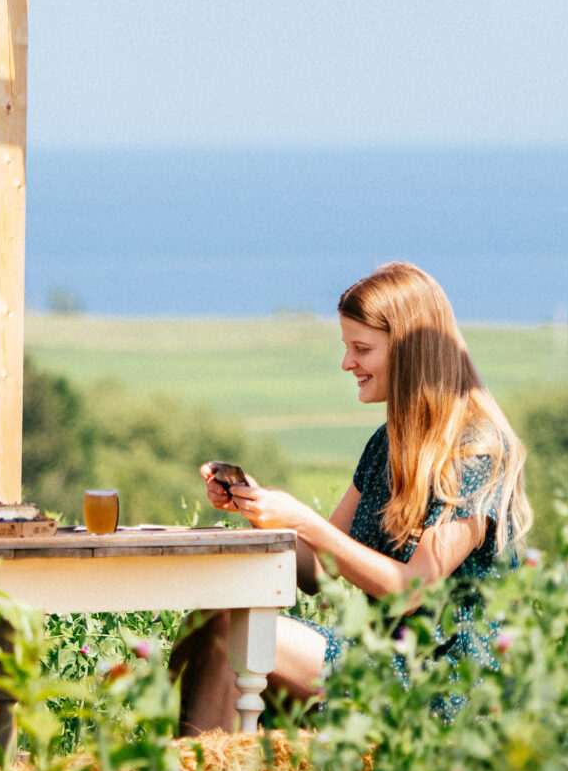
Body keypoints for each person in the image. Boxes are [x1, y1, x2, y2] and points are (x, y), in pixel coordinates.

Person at [173, 261, 531, 733]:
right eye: (347, 347)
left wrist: (305, 522)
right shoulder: (388, 443)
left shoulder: (477, 451)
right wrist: (259, 507)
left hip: (436, 681)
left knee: (228, 636)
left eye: (361, 348)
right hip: (372, 654)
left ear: (409, 352)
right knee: (213, 618)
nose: (347, 363)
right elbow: (320, 571)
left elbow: (413, 590)